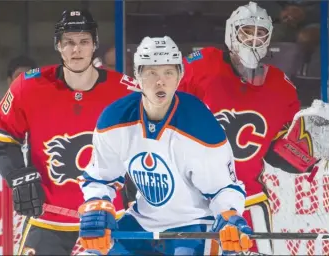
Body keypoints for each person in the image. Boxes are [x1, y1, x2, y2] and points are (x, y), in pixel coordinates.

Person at [123, 2, 329, 254]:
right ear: (231, 34)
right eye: (246, 31)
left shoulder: (280, 87)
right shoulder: (202, 66)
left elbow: (277, 154)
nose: (253, 39)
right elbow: (155, 110)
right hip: (191, 204)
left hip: (247, 204)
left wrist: (308, 149)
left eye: (260, 33)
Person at [77, 36, 253, 256]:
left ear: (179, 76)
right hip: (143, 221)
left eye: (168, 73)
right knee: (91, 252)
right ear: (138, 76)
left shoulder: (200, 124)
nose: (160, 82)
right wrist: (97, 203)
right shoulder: (114, 118)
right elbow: (101, 177)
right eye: (152, 73)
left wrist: (229, 216)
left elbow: (223, 188)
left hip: (195, 224)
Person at [0, 9, 133, 255]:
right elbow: (1, 138)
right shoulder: (28, 86)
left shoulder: (127, 91)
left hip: (109, 219)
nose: (76, 49)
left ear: (94, 44)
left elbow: (150, 141)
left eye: (84, 42)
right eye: (69, 43)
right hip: (48, 221)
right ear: (58, 45)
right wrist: (18, 175)